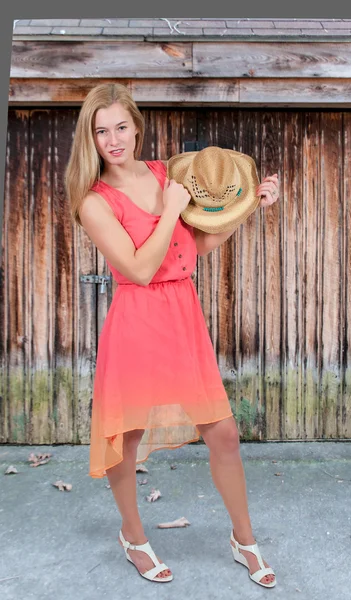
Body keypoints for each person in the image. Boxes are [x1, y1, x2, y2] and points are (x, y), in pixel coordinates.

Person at [65, 83, 280, 588]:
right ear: (91, 140)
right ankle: (134, 537)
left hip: (182, 314)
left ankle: (243, 539)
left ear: (136, 127)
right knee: (129, 436)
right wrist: (168, 209)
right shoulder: (94, 202)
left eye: (120, 127)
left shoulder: (169, 175)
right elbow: (140, 268)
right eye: (101, 132)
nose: (113, 140)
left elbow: (197, 244)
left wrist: (252, 205)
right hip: (136, 319)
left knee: (223, 432)